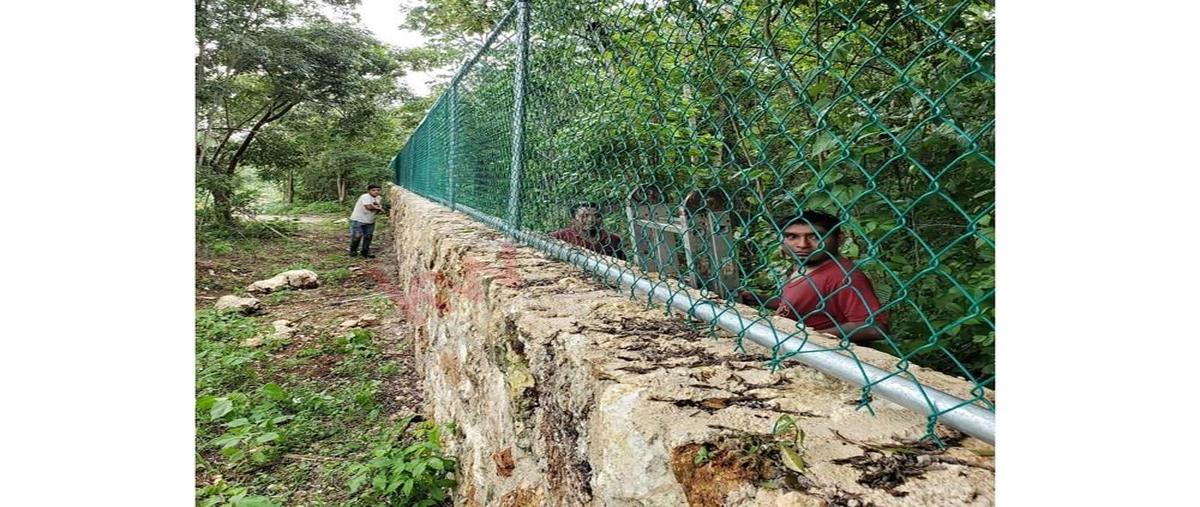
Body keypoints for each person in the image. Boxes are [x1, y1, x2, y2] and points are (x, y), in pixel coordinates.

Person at [740, 210, 888, 344]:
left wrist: (808, 338)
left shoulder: (843, 276)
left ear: (839, 239)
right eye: (792, 236)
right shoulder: (803, 266)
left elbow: (873, 328)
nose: (802, 245)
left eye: (814, 236)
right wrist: (759, 299)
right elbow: (802, 302)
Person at [549, 202, 626, 260]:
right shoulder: (560, 236)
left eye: (596, 216)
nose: (591, 220)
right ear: (573, 220)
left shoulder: (612, 239)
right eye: (584, 216)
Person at [349, 184, 385, 258]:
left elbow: (376, 208)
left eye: (378, 190)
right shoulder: (365, 197)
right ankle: (353, 251)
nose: (376, 192)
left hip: (370, 220)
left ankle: (365, 251)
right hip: (358, 219)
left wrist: (379, 209)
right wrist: (379, 208)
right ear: (368, 191)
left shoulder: (379, 198)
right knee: (357, 236)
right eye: (373, 190)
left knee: (368, 236)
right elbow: (368, 207)